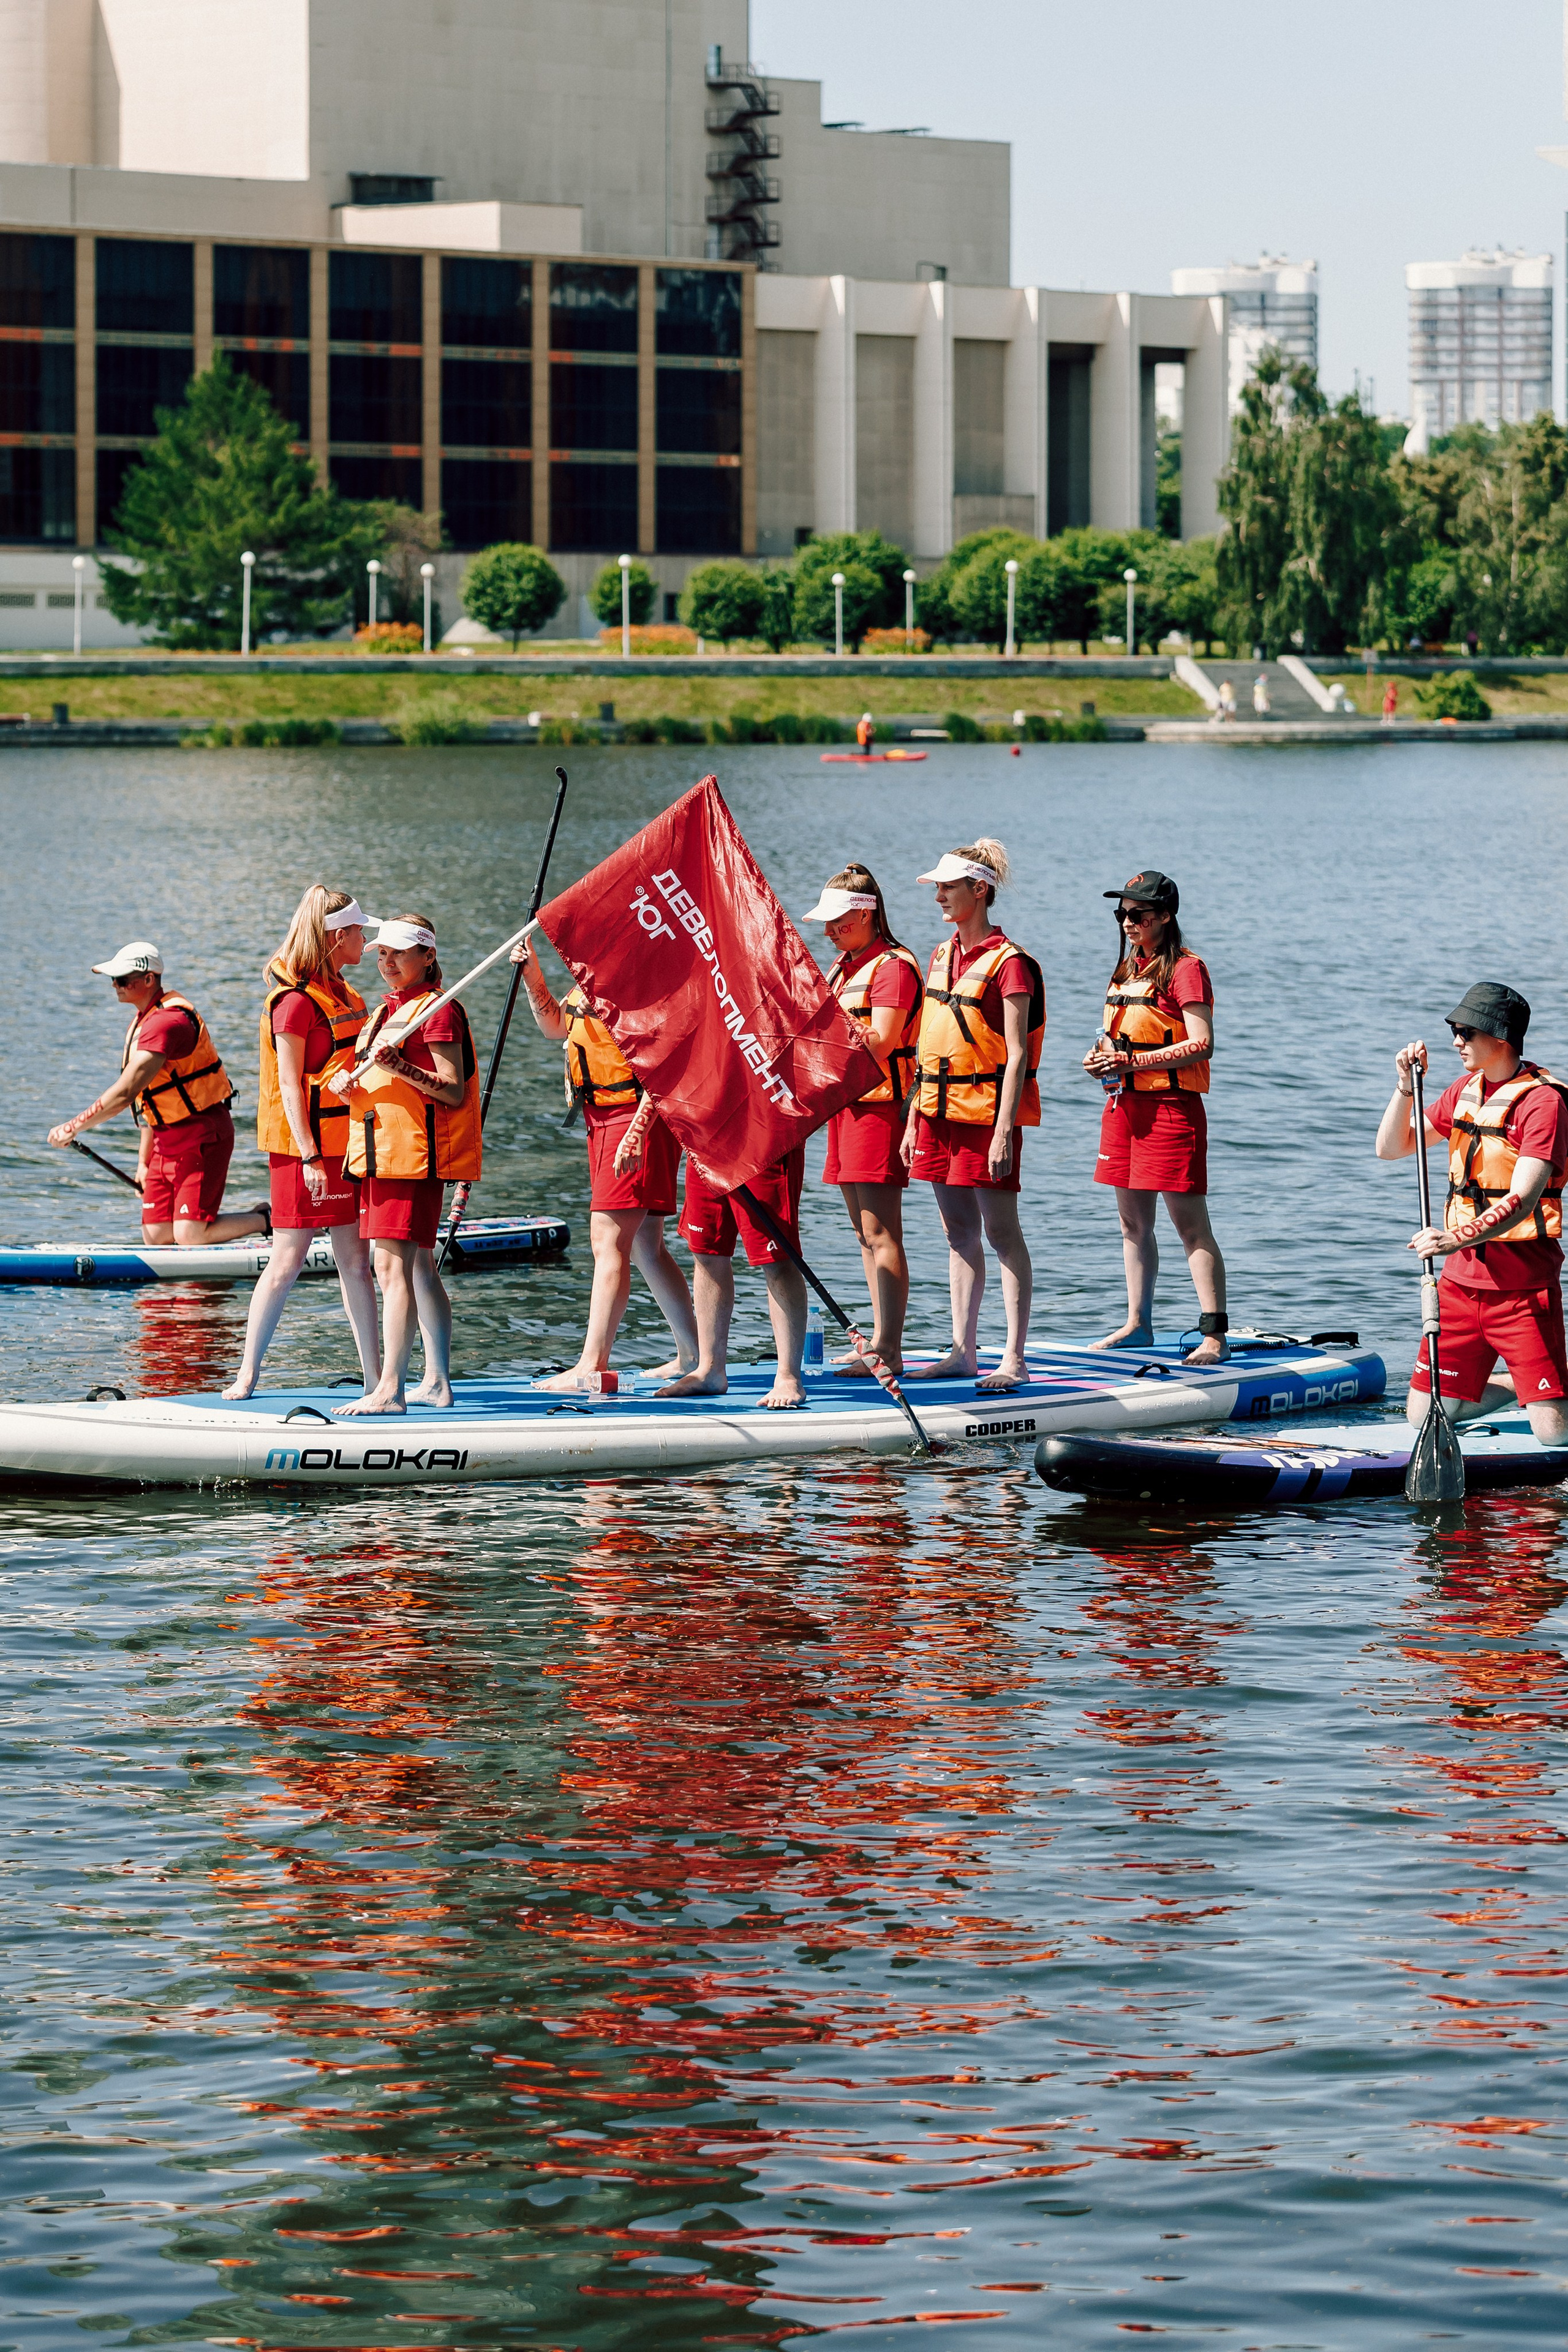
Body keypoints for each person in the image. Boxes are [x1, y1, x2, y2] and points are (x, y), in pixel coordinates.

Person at [1375, 983, 1568, 1444]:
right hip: (1461, 1284)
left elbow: (1521, 1199)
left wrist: (1453, 1239)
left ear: (1500, 1037)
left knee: (1553, 1434)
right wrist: (1405, 1088)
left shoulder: (1546, 1104)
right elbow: (1390, 1148)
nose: (1455, 1041)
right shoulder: (1466, 1089)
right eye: (1454, 1030)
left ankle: (1550, 1391)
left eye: (1466, 1031)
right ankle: (1514, 1386)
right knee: (1423, 1416)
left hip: (1521, 1286)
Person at [509, 935, 698, 1389]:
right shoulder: (583, 985)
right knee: (645, 1244)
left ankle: (593, 1363)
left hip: (631, 1119)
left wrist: (636, 1131)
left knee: (607, 1242)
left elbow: (665, 1064)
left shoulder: (637, 989)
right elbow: (556, 1025)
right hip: (601, 1119)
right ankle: (694, 1353)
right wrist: (533, 973)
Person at [222, 889, 382, 1400]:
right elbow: (290, 1085)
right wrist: (310, 1154)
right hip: (306, 1152)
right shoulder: (294, 1004)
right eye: (361, 933)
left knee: (356, 1263)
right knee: (287, 1259)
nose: (367, 940)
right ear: (339, 938)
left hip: (349, 1144)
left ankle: (377, 1379)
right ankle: (247, 1373)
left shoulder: (347, 994)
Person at [901, 839, 1041, 1389]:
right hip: (936, 1109)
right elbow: (928, 1048)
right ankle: (963, 1351)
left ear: (978, 890)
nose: (938, 895)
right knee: (957, 1231)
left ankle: (1014, 1357)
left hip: (985, 1115)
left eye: (948, 887)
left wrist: (1004, 1130)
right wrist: (913, 1118)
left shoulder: (1012, 965)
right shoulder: (940, 954)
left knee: (1002, 1232)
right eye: (937, 887)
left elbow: (1018, 1053)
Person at [333, 913, 481, 1415]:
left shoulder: (437, 1012)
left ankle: (390, 1389)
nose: (387, 961)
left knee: (391, 1265)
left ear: (428, 956)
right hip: (381, 1154)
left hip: (411, 1157)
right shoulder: (385, 1012)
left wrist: (401, 1067)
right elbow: (380, 1077)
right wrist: (349, 1082)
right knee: (417, 1266)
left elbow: (453, 1088)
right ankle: (436, 1381)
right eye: (380, 952)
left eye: (399, 952)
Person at [1083, 869, 1229, 1363]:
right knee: (1132, 1225)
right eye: (1122, 913)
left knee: (1191, 1227)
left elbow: (1201, 1042)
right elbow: (1119, 1035)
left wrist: (1134, 1062)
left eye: (1139, 914)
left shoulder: (1186, 968)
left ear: (1165, 916)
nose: (1128, 921)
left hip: (1171, 1109)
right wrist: (1099, 1058)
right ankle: (1137, 1324)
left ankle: (1214, 1335)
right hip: (1123, 1107)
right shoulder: (1127, 968)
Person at [47, 940, 268, 1247]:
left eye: (123, 979)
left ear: (149, 979)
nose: (115, 985)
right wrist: (144, 1162)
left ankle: (265, 1220)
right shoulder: (144, 1020)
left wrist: (73, 1127)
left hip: (202, 1135)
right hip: (164, 1141)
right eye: (113, 979)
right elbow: (148, 1101)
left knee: (189, 1235)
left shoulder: (168, 1023)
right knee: (157, 1236)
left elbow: (125, 1094)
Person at [804, 863, 923, 1374]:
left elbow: (883, 1041)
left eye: (837, 921)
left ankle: (890, 1349)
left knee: (881, 1232)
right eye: (826, 923)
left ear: (865, 913)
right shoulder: (843, 967)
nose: (829, 931)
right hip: (845, 1108)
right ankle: (877, 1341)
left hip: (880, 1109)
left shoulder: (892, 966)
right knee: (861, 1234)